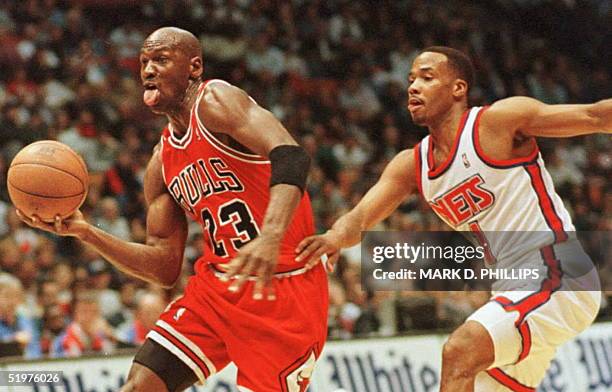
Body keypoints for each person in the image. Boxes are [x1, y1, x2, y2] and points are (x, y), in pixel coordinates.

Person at [18, 27, 328, 391]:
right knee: (139, 386)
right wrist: (86, 231)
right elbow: (165, 267)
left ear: (194, 67)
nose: (148, 70)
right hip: (217, 292)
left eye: (161, 60)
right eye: (144, 62)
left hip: (284, 291)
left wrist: (271, 236)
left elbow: (291, 155)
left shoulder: (216, 100)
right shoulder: (161, 162)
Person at [296, 46, 610, 391]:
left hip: (558, 272)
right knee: (478, 381)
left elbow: (594, 116)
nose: (413, 87)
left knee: (460, 350)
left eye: (427, 78)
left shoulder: (497, 121)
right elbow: (359, 218)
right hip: (511, 286)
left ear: (458, 88)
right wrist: (333, 238)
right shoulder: (412, 164)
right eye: (411, 79)